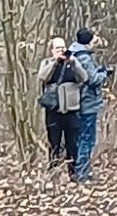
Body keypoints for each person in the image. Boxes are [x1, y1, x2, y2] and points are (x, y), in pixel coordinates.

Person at [37, 36, 88, 179]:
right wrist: (55, 62)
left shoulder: (72, 63)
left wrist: (73, 63)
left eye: (63, 48)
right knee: (54, 143)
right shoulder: (47, 63)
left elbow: (84, 77)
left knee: (72, 144)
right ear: (52, 50)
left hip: (72, 111)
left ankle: (74, 174)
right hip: (54, 111)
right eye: (57, 48)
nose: (61, 51)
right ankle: (54, 174)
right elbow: (43, 77)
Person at [68, 28, 111, 184]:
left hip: (75, 102)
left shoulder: (71, 53)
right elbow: (92, 80)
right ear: (88, 41)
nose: (95, 42)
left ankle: (78, 172)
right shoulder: (84, 57)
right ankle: (82, 174)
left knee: (79, 138)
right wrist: (104, 73)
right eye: (93, 40)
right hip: (87, 103)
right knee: (87, 139)